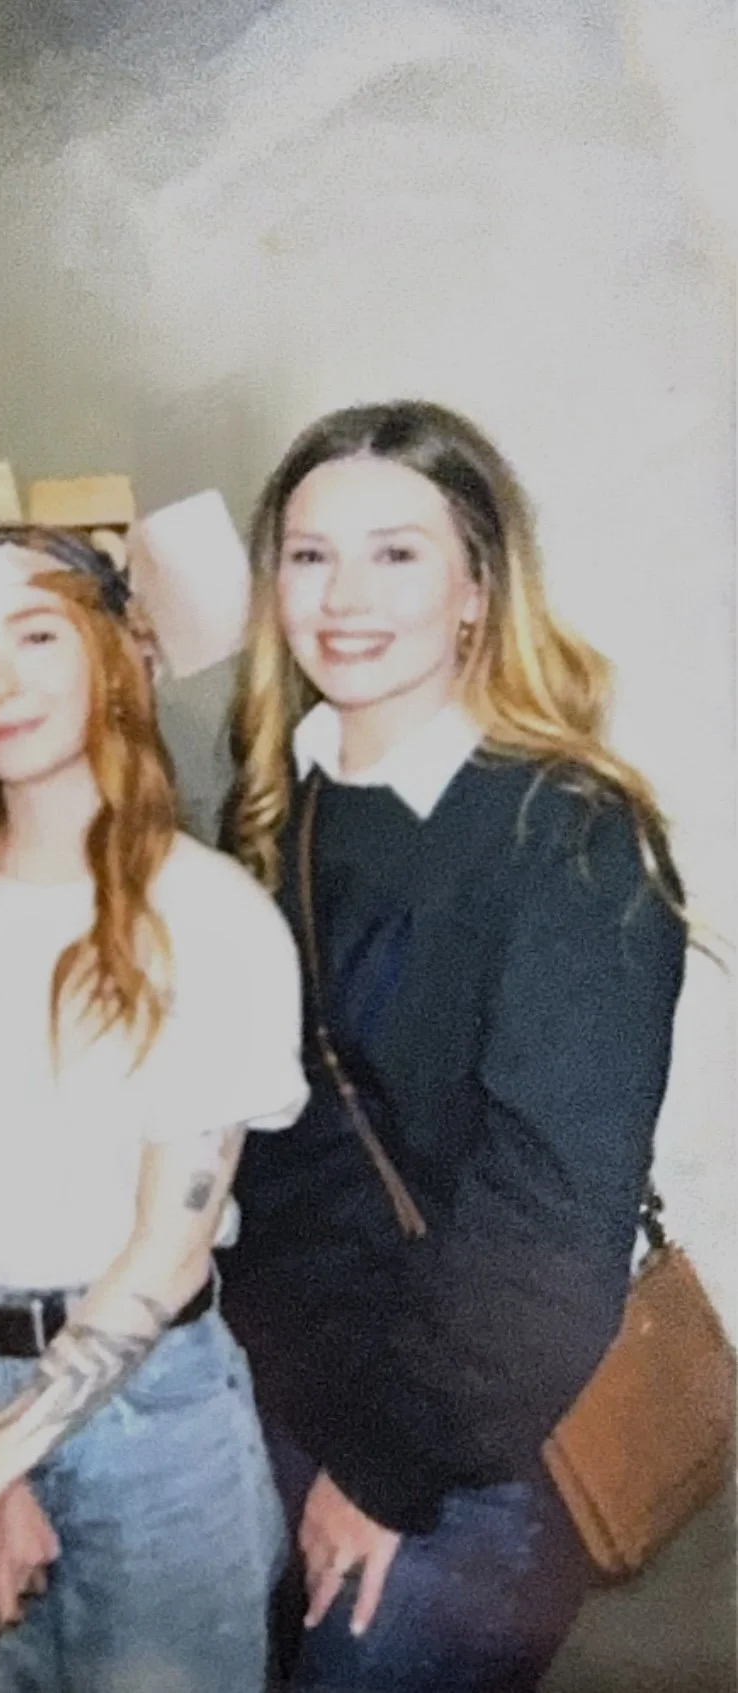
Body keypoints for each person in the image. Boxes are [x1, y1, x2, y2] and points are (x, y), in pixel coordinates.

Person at [219, 399, 688, 1693]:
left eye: (396, 553)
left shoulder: (563, 836)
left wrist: (384, 1473)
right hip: (282, 1406)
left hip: (463, 1463)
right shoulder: (276, 806)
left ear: (477, 588)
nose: (344, 597)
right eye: (310, 555)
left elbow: (550, 1224)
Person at [0, 524, 308, 1693]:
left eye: (36, 635)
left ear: (115, 656)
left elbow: (168, 1249)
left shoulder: (212, 918)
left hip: (151, 1427)